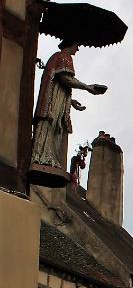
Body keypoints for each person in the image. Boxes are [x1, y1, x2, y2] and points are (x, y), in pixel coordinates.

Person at [31, 42, 106, 183]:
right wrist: (88, 87)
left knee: (55, 131)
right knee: (50, 128)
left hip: (55, 101)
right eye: (77, 45)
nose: (78, 49)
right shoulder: (63, 56)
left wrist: (71, 101)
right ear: (70, 44)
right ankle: (42, 157)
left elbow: (59, 85)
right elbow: (65, 79)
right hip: (51, 104)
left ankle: (47, 158)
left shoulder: (56, 57)